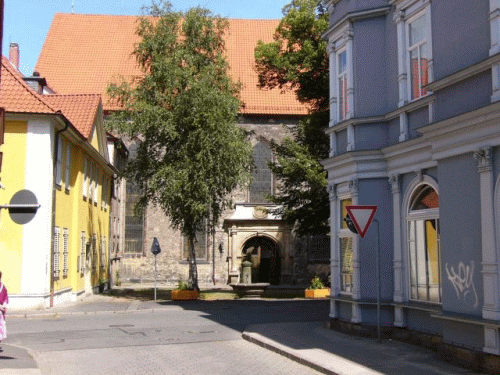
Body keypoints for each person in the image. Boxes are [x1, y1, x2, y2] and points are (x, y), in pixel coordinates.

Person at [0, 271, 8, 342]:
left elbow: (6, 297)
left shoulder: (2, 287)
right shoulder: (3, 287)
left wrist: (3, 306)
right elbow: (6, 298)